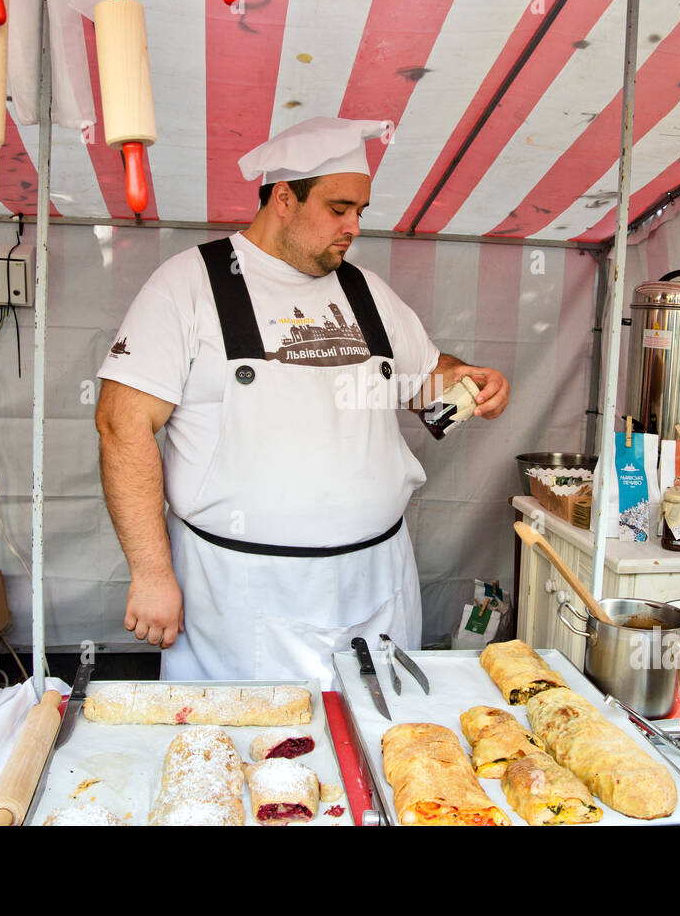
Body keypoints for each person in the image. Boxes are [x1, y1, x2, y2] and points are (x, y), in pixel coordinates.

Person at [95, 117, 510, 687]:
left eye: (360, 211)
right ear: (284, 198)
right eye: (339, 208)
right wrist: (151, 574)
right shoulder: (189, 286)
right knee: (250, 757)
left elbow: (424, 381)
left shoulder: (366, 292)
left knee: (383, 749)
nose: (353, 226)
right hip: (239, 598)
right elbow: (122, 426)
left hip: (376, 583)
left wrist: (470, 380)